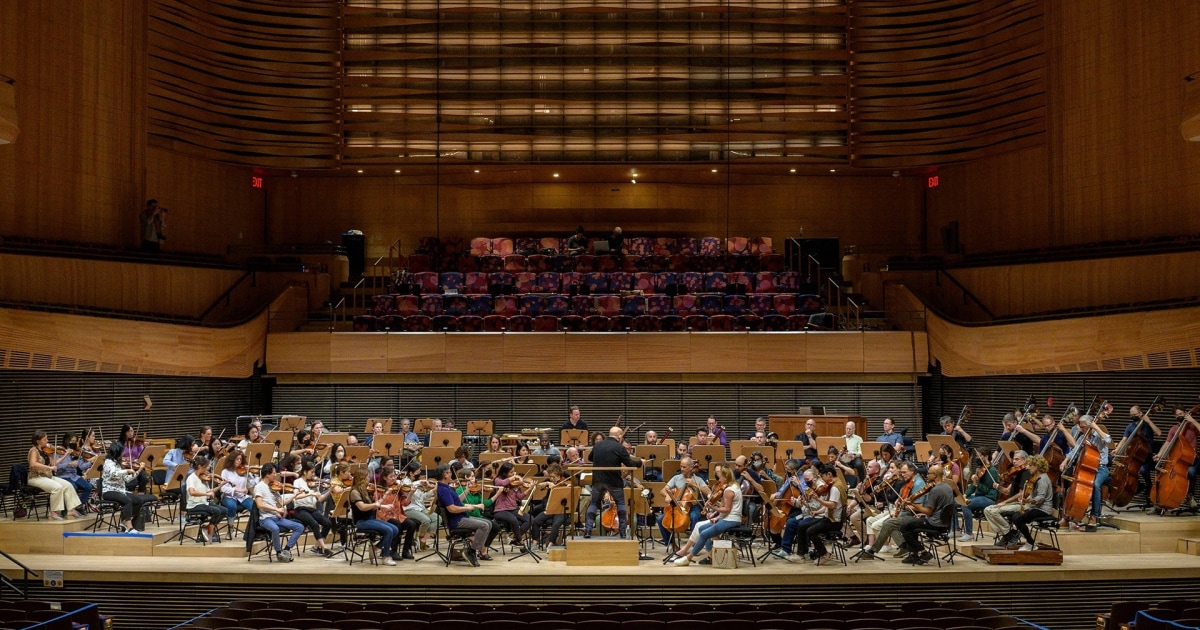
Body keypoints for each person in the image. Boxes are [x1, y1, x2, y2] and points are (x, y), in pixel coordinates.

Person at [672, 465, 742, 566]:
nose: (719, 479)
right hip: (727, 518)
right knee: (701, 529)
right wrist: (717, 517)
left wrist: (713, 508)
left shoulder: (729, 490)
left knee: (704, 534)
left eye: (720, 476)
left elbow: (727, 509)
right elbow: (730, 509)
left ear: (725, 477)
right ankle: (711, 556)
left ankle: (688, 558)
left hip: (731, 520)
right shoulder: (735, 486)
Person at [776, 465, 844, 563]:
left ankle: (823, 554)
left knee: (809, 530)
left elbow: (832, 505)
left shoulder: (834, 488)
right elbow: (826, 506)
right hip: (824, 516)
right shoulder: (834, 485)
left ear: (829, 474)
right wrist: (800, 502)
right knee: (799, 524)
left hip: (832, 520)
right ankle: (800, 554)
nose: (823, 480)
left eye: (823, 476)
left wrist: (817, 499)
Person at [584, 427, 643, 538]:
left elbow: (590, 458)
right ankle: (622, 532)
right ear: (620, 436)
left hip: (598, 480)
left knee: (593, 504)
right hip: (613, 481)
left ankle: (588, 531)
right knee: (620, 503)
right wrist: (640, 462)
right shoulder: (619, 447)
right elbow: (629, 463)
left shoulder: (598, 445)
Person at [1060, 413, 1112, 530]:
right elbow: (1074, 451)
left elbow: (1108, 440)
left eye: (1083, 427)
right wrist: (1065, 461)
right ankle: (1067, 517)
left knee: (1096, 485)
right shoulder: (1082, 438)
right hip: (1086, 469)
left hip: (1101, 469)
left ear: (1090, 426)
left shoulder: (1099, 437)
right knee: (1070, 489)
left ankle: (1094, 516)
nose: (1080, 429)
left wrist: (1096, 427)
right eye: (1080, 426)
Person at [897, 463, 956, 564]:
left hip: (934, 524)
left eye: (929, 474)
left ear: (935, 475)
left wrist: (913, 504)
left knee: (905, 527)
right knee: (912, 526)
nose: (927, 476)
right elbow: (939, 509)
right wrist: (924, 515)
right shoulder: (948, 487)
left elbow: (928, 511)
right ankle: (914, 555)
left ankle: (923, 552)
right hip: (944, 524)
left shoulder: (935, 490)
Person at [435, 463, 493, 566]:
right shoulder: (443, 490)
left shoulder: (446, 487)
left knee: (489, 522)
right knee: (484, 525)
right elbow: (452, 508)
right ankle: (472, 551)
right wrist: (468, 507)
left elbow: (458, 501)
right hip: (456, 521)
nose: (452, 474)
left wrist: (467, 490)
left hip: (461, 517)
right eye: (450, 472)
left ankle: (472, 550)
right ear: (445, 475)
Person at [252, 463, 305, 562]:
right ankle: (278, 552)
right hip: (265, 518)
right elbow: (259, 505)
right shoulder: (259, 487)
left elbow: (281, 503)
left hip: (276, 518)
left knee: (300, 527)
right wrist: (276, 510)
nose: (275, 475)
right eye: (274, 473)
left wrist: (294, 495)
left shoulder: (274, 487)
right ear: (267, 474)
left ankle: (286, 550)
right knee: (275, 529)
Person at [346, 467, 400, 565]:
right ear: (361, 478)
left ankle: (376, 547)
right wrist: (374, 505)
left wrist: (384, 496)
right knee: (388, 530)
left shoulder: (365, 491)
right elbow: (362, 507)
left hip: (371, 519)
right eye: (367, 477)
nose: (369, 479)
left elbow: (375, 507)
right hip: (361, 521)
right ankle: (386, 557)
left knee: (395, 529)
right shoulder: (354, 492)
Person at [27, 431, 83, 520]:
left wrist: (63, 455)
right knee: (57, 487)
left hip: (47, 476)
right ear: (38, 441)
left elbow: (54, 464)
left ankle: (71, 509)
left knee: (68, 485)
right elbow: (33, 464)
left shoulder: (46, 451)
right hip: (36, 477)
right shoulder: (33, 450)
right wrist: (49, 468)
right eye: (45, 439)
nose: (47, 441)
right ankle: (54, 513)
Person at [101, 441, 154, 533]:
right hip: (109, 491)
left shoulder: (118, 463)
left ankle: (124, 521)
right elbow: (114, 474)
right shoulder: (108, 463)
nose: (123, 454)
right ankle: (129, 527)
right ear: (116, 452)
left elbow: (127, 479)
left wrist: (139, 470)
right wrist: (127, 471)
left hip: (120, 490)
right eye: (121, 452)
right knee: (127, 501)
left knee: (138, 500)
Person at [983, 450, 1034, 546]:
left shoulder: (1026, 474)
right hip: (1013, 503)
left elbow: (1021, 494)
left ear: (1024, 460)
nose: (1014, 461)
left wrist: (1004, 502)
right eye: (1013, 459)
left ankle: (1008, 533)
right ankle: (1007, 532)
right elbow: (1007, 491)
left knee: (994, 511)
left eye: (1017, 459)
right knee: (987, 510)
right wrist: (998, 487)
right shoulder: (1017, 473)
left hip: (1022, 505)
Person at [658, 456, 709, 547]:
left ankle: (695, 545)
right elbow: (662, 490)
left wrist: (695, 485)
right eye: (681, 466)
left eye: (684, 467)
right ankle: (671, 544)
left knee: (694, 516)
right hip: (678, 505)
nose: (681, 469)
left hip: (692, 506)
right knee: (660, 519)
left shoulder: (698, 479)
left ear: (691, 467)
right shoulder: (676, 478)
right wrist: (667, 495)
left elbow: (709, 492)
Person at [1010, 454, 1055, 551]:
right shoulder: (1037, 477)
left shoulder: (1043, 479)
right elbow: (1034, 494)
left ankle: (1031, 543)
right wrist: (1026, 499)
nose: (1028, 467)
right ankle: (1027, 540)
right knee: (1015, 516)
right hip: (1036, 507)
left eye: (1031, 466)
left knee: (1019, 520)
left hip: (1043, 509)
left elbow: (1041, 497)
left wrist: (1029, 501)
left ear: (1037, 466)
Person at [292, 460, 335, 558]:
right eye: (311, 472)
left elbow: (320, 499)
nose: (313, 475)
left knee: (328, 523)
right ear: (305, 472)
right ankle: (324, 548)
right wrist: (311, 493)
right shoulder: (297, 482)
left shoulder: (313, 484)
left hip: (311, 509)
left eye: (314, 472)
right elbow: (296, 496)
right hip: (300, 509)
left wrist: (330, 490)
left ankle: (316, 547)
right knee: (314, 524)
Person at [184, 455, 228, 544]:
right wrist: (206, 494)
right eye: (205, 467)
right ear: (200, 466)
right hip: (194, 505)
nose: (207, 469)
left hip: (203, 503)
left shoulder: (202, 478)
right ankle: (209, 530)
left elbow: (210, 491)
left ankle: (208, 527)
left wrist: (221, 485)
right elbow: (192, 492)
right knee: (216, 511)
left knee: (224, 510)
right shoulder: (191, 478)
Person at [959, 448, 1000, 541]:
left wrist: (977, 482)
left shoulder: (992, 470)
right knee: (955, 502)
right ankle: (956, 529)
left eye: (979, 456)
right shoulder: (980, 469)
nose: (977, 458)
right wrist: (965, 494)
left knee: (966, 504)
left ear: (985, 456)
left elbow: (985, 489)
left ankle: (969, 533)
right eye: (977, 456)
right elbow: (973, 486)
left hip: (988, 498)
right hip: (979, 496)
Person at [492, 462, 533, 551]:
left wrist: (529, 489)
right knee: (513, 520)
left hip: (513, 509)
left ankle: (515, 538)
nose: (514, 474)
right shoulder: (498, 480)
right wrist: (513, 478)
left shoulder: (515, 484)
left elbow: (519, 496)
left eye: (514, 472)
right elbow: (502, 483)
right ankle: (520, 541)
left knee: (530, 519)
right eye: (511, 472)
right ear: (504, 473)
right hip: (500, 510)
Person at [219, 449, 256, 533]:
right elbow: (223, 488)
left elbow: (253, 483)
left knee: (254, 507)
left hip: (242, 497)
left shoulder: (244, 471)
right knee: (232, 506)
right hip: (229, 496)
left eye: (240, 459)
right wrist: (237, 489)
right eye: (237, 459)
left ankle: (252, 530)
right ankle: (230, 526)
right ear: (232, 460)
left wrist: (249, 473)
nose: (239, 461)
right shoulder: (225, 472)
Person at [54, 432, 94, 510]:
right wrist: (68, 464)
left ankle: (79, 506)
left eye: (75, 441)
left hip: (74, 476)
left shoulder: (75, 452)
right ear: (66, 440)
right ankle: (67, 508)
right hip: (63, 476)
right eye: (72, 441)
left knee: (88, 487)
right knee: (74, 487)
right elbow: (56, 467)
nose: (74, 443)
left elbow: (82, 466)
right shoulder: (58, 451)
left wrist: (91, 462)